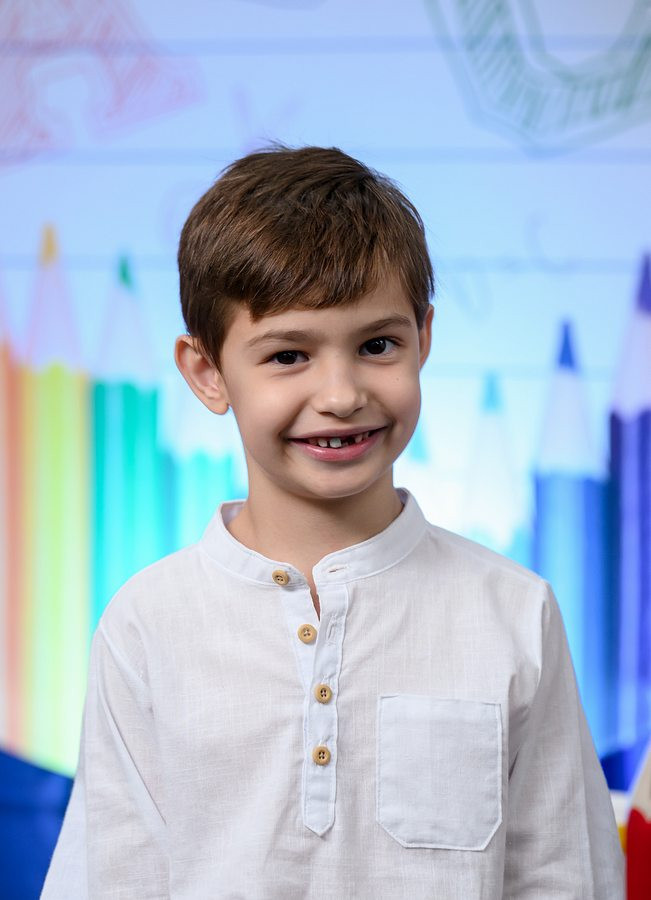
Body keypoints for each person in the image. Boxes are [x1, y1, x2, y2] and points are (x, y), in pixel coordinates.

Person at [41, 145, 624, 899]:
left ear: (423, 339)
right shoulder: (147, 623)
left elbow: (563, 877)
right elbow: (111, 877)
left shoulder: (514, 612)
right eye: (288, 355)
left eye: (378, 346)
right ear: (208, 373)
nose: (342, 394)